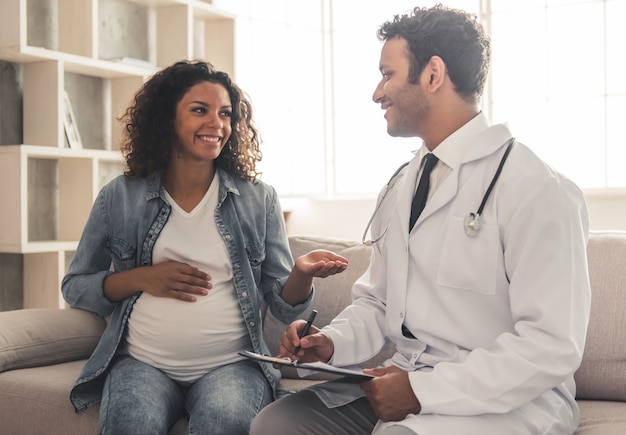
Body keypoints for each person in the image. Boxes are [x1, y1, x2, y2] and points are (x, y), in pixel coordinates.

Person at [250, 4, 591, 435]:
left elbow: (550, 348)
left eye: (387, 74)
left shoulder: (537, 188)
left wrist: (423, 391)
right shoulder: (402, 184)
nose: (377, 93)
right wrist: (331, 341)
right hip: (403, 380)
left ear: (432, 75)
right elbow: (378, 303)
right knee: (276, 425)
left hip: (505, 400)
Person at [61, 59, 348, 435]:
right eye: (200, 110)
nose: (218, 124)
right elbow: (76, 285)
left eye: (226, 114)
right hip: (142, 363)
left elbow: (281, 302)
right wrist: (141, 278)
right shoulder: (120, 197)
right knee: (129, 424)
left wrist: (300, 274)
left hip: (232, 365)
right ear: (168, 118)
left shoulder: (257, 199)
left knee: (224, 423)